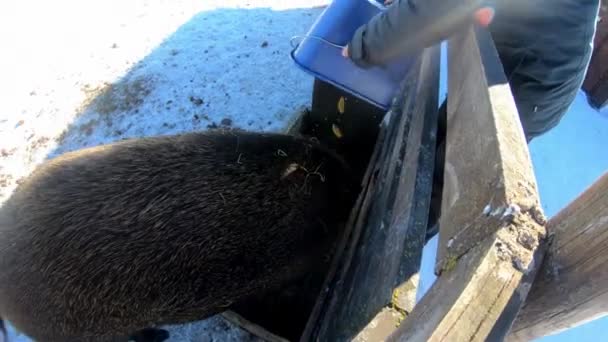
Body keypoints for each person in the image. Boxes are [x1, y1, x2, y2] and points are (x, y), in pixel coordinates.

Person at [341, 0, 601, 240]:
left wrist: (364, 46)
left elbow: (437, 7)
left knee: (453, 170)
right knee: (443, 133)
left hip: (531, 82)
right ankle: (388, 203)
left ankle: (394, 239)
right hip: (508, 46)